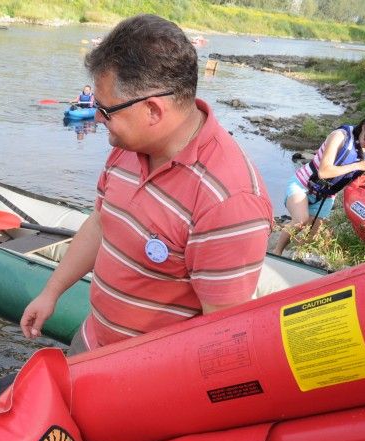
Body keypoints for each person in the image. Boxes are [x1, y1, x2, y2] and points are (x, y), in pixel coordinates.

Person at [20, 14, 273, 354]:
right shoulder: (128, 148)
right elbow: (101, 222)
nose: (97, 118)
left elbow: (221, 334)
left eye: (105, 110)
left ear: (153, 111)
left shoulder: (228, 200)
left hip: (149, 378)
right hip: (94, 337)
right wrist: (52, 292)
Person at [273, 112, 365, 256]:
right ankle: (276, 253)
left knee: (312, 237)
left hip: (326, 195)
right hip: (303, 185)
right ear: (364, 127)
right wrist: (359, 166)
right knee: (300, 220)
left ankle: (297, 258)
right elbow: (324, 172)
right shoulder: (340, 136)